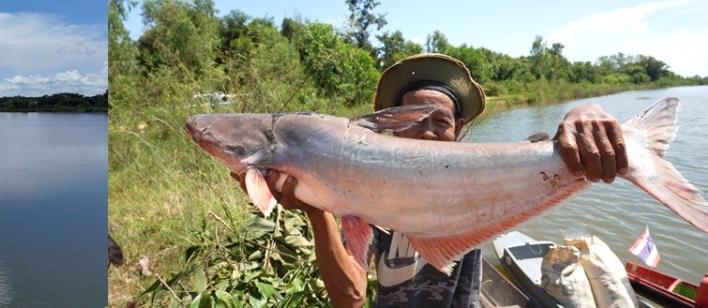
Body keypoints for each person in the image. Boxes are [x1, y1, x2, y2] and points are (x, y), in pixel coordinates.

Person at [257, 53, 629, 308]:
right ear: (392, 127)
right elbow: (351, 298)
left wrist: (585, 112)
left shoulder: (477, 178)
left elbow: (538, 153)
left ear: (459, 129)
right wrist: (317, 209)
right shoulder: (360, 189)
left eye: (441, 122)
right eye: (415, 120)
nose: (429, 133)